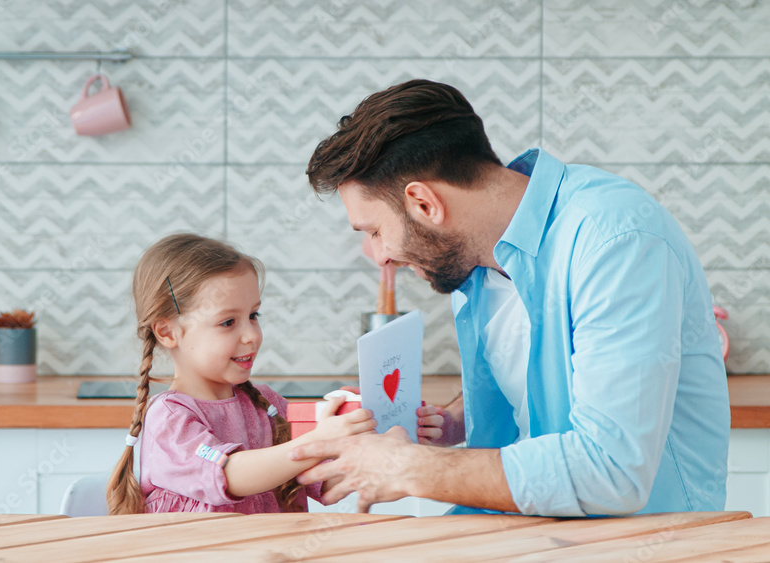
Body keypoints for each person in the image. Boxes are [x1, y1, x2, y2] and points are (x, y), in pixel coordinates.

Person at [290, 79, 730, 517]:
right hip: (533, 528)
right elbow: (539, 379)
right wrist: (455, 422)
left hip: (640, 539)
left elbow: (611, 473)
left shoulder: (616, 242)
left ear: (424, 204)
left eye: (375, 231)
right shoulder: (478, 262)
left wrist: (406, 467)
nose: (381, 256)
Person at [107, 233, 377, 514]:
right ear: (168, 332)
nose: (251, 335)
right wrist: (316, 441)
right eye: (228, 322)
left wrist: (370, 431)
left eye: (253, 316)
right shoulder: (171, 418)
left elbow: (327, 480)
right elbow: (229, 474)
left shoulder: (268, 404)